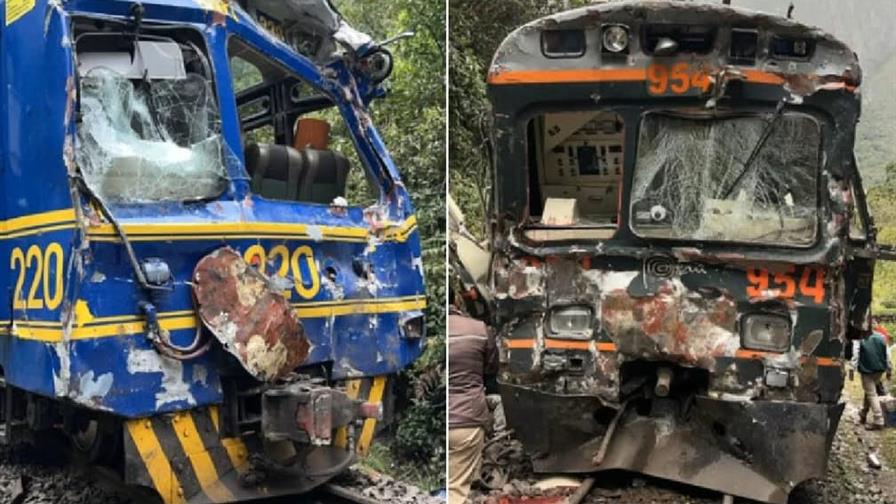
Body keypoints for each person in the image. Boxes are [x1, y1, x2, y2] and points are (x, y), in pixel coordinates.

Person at [447, 301, 497, 504]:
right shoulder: (479, 329)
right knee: (455, 492)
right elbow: (492, 368)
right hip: (468, 421)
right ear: (458, 302)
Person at [856, 328, 892, 430]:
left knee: (871, 394)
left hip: (866, 370)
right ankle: (863, 413)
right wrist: (889, 370)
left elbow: (856, 355)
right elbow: (887, 355)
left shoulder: (861, 339)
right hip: (879, 370)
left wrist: (852, 368)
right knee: (870, 391)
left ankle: (878, 420)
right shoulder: (881, 338)